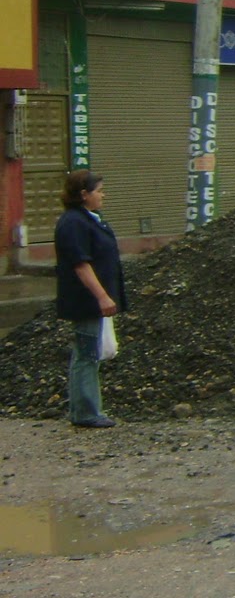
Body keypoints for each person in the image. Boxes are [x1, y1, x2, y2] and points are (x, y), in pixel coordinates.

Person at [54, 170, 126, 429]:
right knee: (87, 354)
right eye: (99, 190)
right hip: (85, 301)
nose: (103, 195)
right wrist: (102, 296)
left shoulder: (89, 219)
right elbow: (81, 264)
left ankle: (85, 409)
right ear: (84, 195)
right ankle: (86, 412)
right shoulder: (74, 223)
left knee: (89, 353)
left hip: (92, 300)